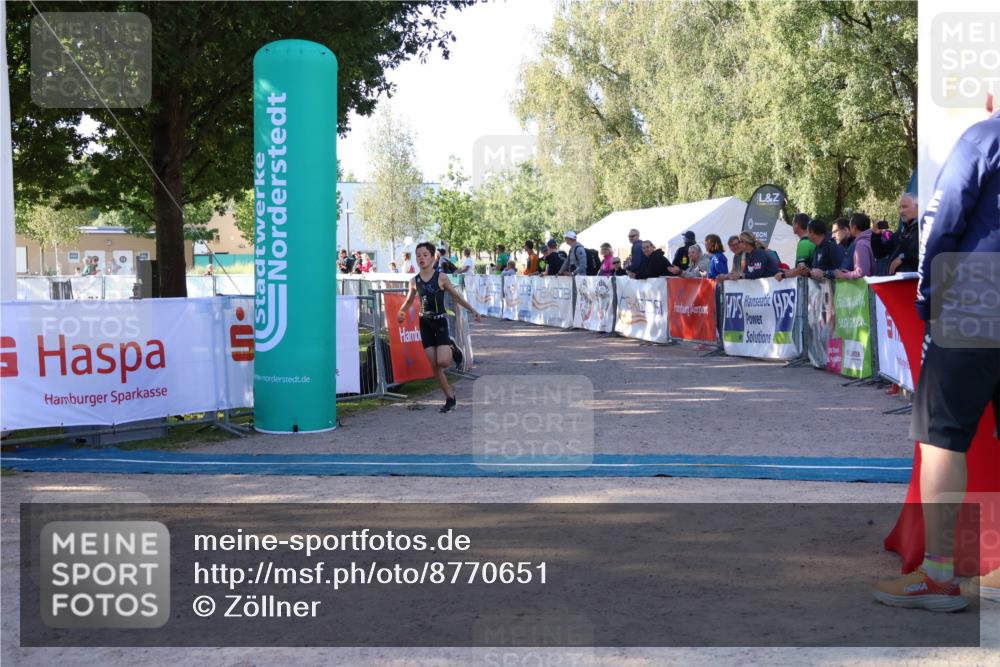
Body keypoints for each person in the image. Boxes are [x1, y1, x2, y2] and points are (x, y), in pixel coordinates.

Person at [873, 103, 1000, 612]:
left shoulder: (984, 137)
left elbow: (942, 220)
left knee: (940, 437)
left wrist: (928, 298)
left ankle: (939, 575)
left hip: (976, 301)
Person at [397, 242, 482, 413]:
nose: (421, 258)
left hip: (440, 322)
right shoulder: (414, 281)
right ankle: (450, 398)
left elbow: (456, 297)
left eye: (425, 255)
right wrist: (402, 311)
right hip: (425, 324)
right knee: (435, 366)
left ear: (432, 257)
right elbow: (408, 301)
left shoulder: (441, 277)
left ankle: (452, 346)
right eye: (418, 255)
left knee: (443, 362)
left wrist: (472, 310)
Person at [874, 193, 920, 275]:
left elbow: (922, 254)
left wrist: (902, 257)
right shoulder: (901, 232)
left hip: (914, 281)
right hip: (897, 281)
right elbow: (879, 253)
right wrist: (876, 236)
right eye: (900, 207)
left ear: (917, 207)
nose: (901, 211)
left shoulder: (924, 229)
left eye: (905, 207)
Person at [833, 213, 875, 280]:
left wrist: (843, 275)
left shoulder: (861, 244)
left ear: (854, 228)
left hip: (870, 285)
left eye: (850, 226)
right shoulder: (872, 238)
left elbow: (862, 273)